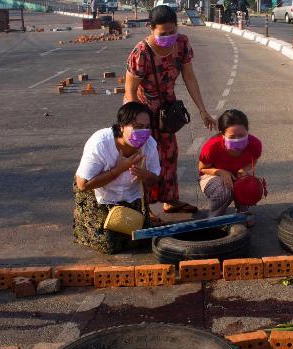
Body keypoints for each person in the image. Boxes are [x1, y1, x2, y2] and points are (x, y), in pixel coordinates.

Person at [125, 6, 217, 223]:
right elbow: (130, 91)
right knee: (146, 159)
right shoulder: (141, 53)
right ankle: (144, 208)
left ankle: (170, 200)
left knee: (170, 154)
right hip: (142, 111)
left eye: (171, 31)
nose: (168, 37)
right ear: (151, 29)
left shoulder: (182, 44)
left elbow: (189, 77)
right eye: (163, 33)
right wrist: (134, 124)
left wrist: (203, 110)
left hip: (167, 112)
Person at [73, 102, 161, 254]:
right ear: (121, 127)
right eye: (138, 127)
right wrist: (118, 170)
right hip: (98, 194)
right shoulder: (100, 143)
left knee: (143, 239)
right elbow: (83, 184)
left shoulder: (150, 144)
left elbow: (155, 179)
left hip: (130, 196)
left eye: (147, 127)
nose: (144, 132)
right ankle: (82, 226)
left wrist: (144, 174)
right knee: (109, 245)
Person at [198, 110, 262, 220]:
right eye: (232, 136)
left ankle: (243, 211)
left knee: (249, 186)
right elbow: (202, 168)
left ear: (247, 131)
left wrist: (244, 170)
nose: (237, 139)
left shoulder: (254, 144)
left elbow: (254, 160)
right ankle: (214, 218)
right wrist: (220, 172)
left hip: (236, 175)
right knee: (224, 192)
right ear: (222, 135)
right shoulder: (212, 147)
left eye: (241, 135)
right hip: (212, 175)